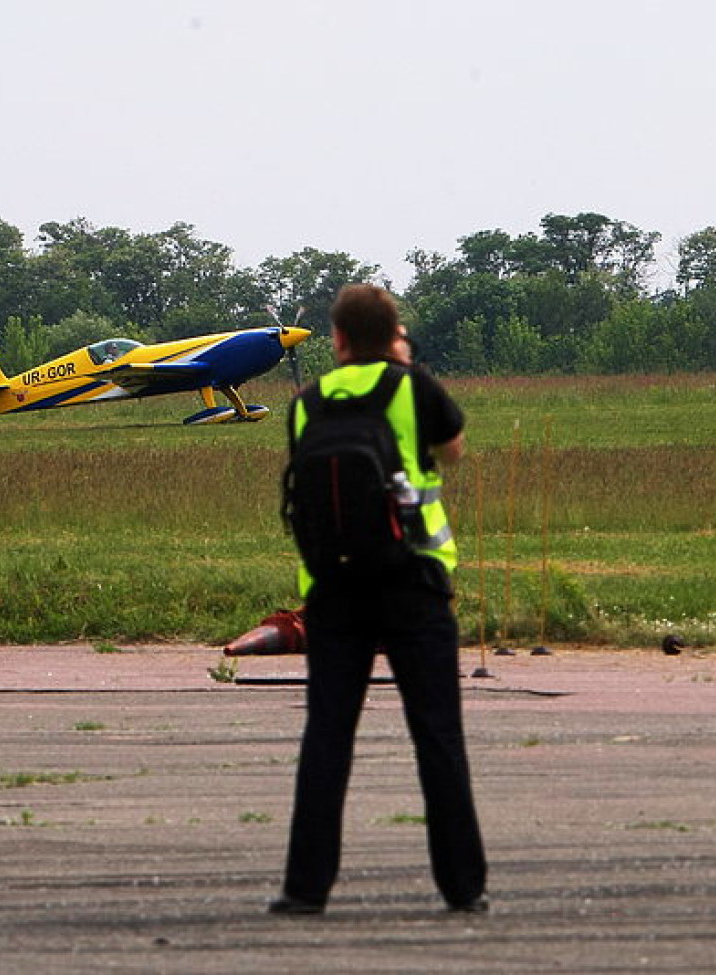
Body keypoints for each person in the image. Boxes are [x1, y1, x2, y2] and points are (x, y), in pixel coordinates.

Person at [270, 283, 487, 915]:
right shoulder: (412, 386)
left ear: (335, 341)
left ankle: (305, 888)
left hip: (332, 591)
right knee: (437, 736)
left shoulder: (305, 403)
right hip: (413, 583)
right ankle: (462, 887)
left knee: (328, 736)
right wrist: (405, 367)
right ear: (394, 335)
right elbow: (452, 452)